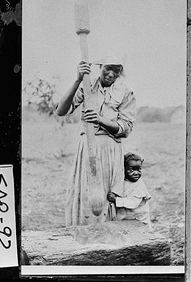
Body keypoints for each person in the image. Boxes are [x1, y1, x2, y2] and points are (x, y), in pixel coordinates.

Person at [56, 57, 136, 226]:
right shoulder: (87, 85)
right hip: (88, 147)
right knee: (86, 196)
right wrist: (78, 79)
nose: (111, 74)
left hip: (110, 150)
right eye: (108, 68)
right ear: (100, 66)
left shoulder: (125, 91)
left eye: (117, 70)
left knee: (107, 199)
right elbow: (61, 111)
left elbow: (126, 128)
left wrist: (100, 120)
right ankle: (82, 238)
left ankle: (107, 244)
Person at [107, 152, 152, 228]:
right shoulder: (122, 181)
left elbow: (133, 203)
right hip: (126, 218)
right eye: (131, 170)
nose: (136, 173)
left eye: (139, 169)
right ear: (123, 169)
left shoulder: (139, 186)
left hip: (138, 219)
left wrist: (116, 200)